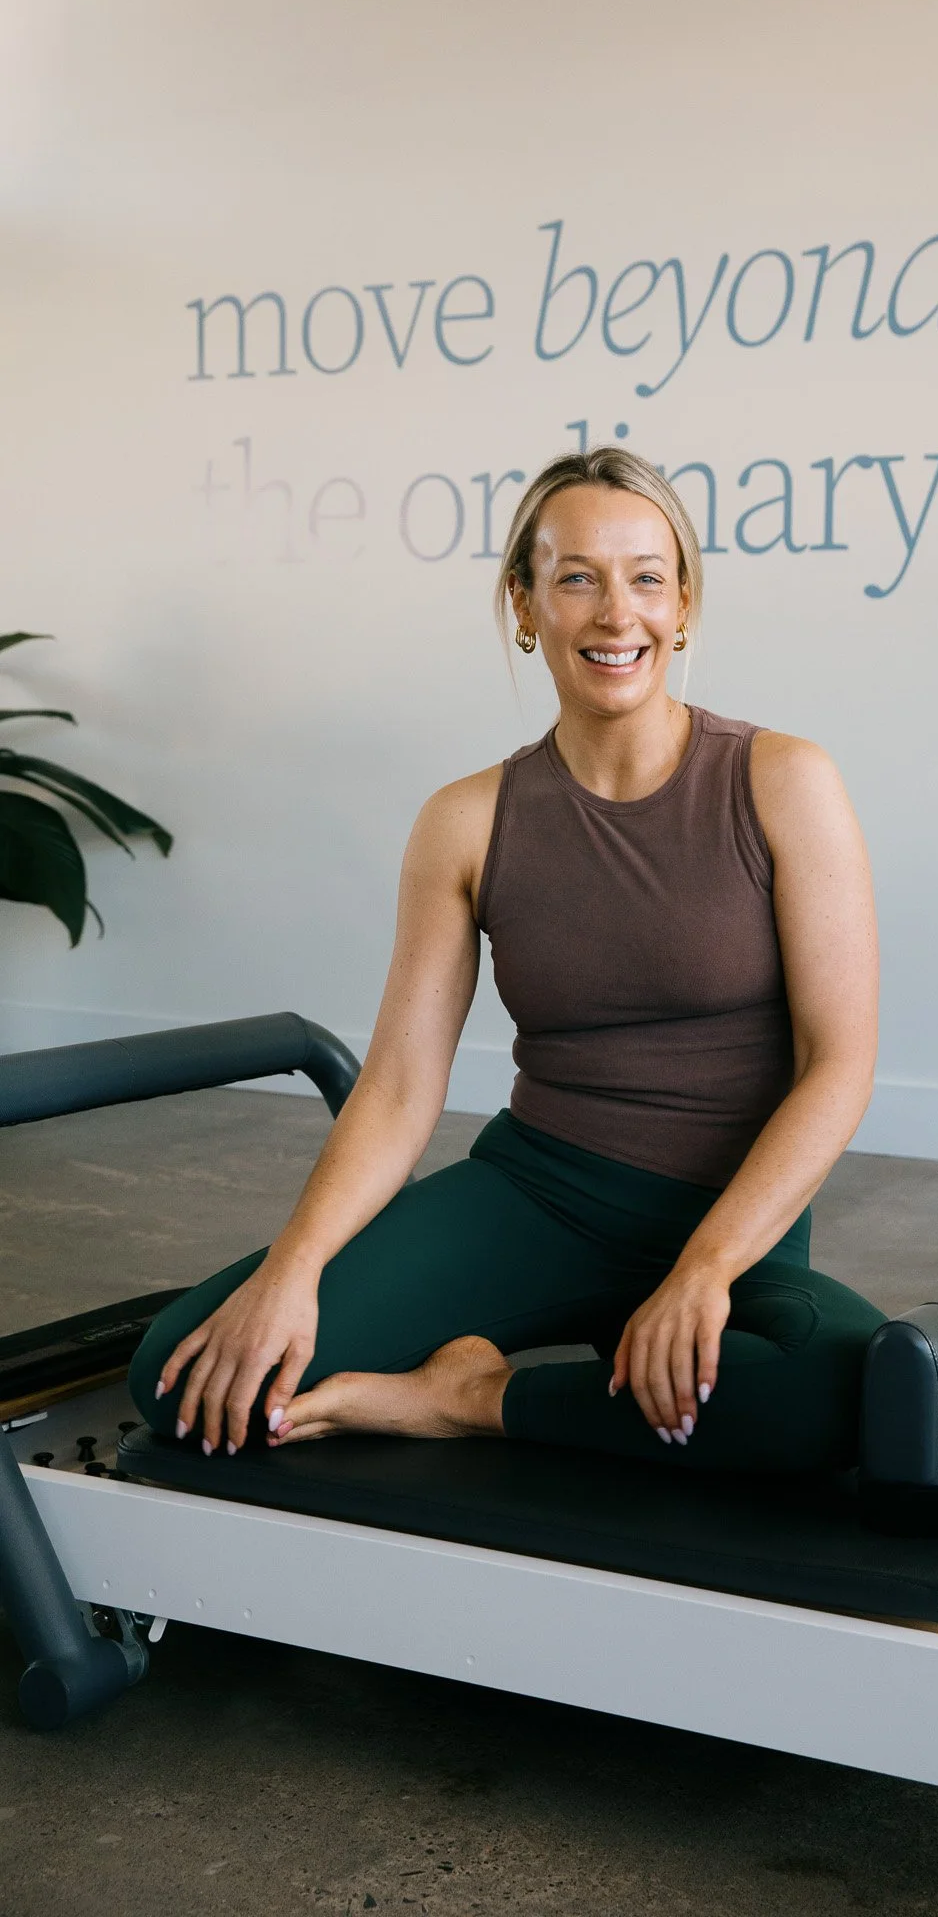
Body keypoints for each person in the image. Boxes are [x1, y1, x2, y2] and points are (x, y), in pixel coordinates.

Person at [130, 448, 884, 1473]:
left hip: (733, 1221)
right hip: (539, 1196)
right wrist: (292, 1270)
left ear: (685, 605)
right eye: (576, 577)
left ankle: (471, 1396)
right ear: (524, 606)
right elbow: (399, 1085)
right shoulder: (467, 820)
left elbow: (837, 1061)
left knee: (853, 1388)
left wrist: (705, 1265)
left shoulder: (785, 780)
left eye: (646, 577)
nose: (617, 613)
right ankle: (532, 1384)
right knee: (185, 1378)